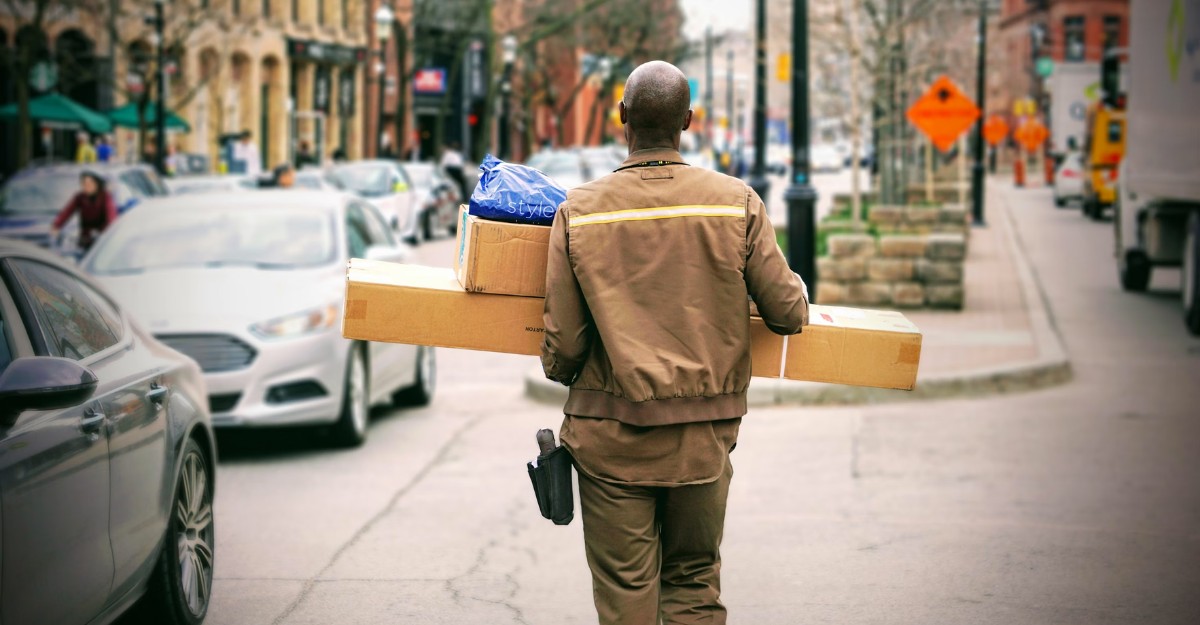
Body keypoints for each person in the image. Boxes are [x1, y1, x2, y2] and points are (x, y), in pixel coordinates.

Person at [541, 60, 809, 625]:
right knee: (691, 584)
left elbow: (563, 347)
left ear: (622, 119)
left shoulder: (580, 211)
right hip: (702, 441)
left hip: (609, 439)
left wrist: (570, 371)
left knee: (626, 591)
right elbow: (787, 314)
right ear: (688, 120)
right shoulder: (735, 202)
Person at [49, 170, 118, 253]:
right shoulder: (80, 197)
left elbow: (111, 215)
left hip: (102, 239)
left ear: (97, 184)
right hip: (85, 238)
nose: (86, 187)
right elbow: (67, 212)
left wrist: (109, 233)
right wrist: (56, 225)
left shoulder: (105, 197)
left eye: (90, 184)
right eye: (84, 184)